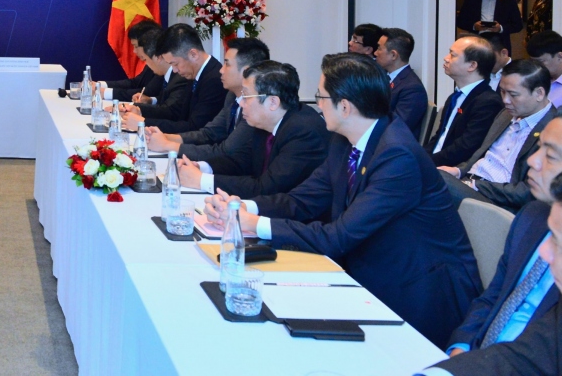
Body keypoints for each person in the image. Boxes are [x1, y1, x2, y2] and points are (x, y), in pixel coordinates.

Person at [206, 53, 481, 348]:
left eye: (321, 97)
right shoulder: (344, 140)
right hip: (368, 268)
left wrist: (255, 224)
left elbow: (338, 237)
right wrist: (243, 208)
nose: (317, 105)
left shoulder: (397, 156)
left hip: (417, 294)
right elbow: (304, 200)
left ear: (346, 107)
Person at [419, 170, 562, 375]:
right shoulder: (533, 218)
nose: (545, 251)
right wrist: (459, 356)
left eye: (558, 240)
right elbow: (517, 356)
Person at [175, 61, 328, 199]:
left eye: (247, 96)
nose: (241, 104)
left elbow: (266, 188)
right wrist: (202, 167)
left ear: (273, 102)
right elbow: (241, 161)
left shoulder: (303, 132)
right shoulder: (266, 121)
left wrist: (202, 180)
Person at [438, 59, 558, 212]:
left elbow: (526, 192)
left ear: (539, 93)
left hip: (497, 202)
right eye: (502, 92)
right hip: (470, 182)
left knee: (436, 182)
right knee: (428, 172)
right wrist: (459, 171)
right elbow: (481, 154)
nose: (505, 100)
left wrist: (475, 185)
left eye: (513, 94)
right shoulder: (505, 115)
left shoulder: (553, 130)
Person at [141, 36, 269, 158]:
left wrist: (168, 145)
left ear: (247, 71)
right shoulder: (232, 96)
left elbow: (227, 151)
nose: (221, 70)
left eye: (227, 64)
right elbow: (208, 134)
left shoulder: (256, 106)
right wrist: (165, 137)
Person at [426, 36, 504, 168]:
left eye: (453, 55)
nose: (446, 58)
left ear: (472, 65)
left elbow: (465, 148)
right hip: (435, 163)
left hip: (453, 170)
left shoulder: (487, 102)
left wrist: (425, 163)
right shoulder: (454, 97)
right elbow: (440, 137)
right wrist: (420, 157)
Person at [141, 23, 226, 134]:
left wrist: (142, 122)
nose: (175, 70)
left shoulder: (214, 80)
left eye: (175, 64)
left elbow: (194, 127)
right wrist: (139, 111)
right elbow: (175, 112)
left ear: (193, 54)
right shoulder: (193, 73)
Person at [118, 26, 192, 129]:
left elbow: (170, 112)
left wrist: (139, 111)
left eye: (146, 60)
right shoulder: (167, 75)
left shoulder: (179, 77)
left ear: (158, 58)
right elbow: (166, 103)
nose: (147, 65)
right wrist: (151, 100)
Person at [457, 0, 525, 55]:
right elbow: (461, 21)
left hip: (499, 43)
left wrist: (500, 28)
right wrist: (474, 26)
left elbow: (518, 25)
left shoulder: (508, 0)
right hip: (476, 42)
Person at [375, 27, 429, 133]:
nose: (375, 53)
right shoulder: (384, 77)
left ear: (393, 55)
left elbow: (398, 127)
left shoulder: (412, 88)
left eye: (379, 48)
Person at [98, 20, 164, 102]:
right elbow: (135, 83)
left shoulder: (162, 65)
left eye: (136, 46)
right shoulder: (151, 62)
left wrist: (106, 92)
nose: (134, 51)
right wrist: (100, 85)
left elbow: (148, 92)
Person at [526, 30, 562, 109]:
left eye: (540, 61)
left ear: (559, 56)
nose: (536, 66)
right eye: (532, 61)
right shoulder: (536, 79)